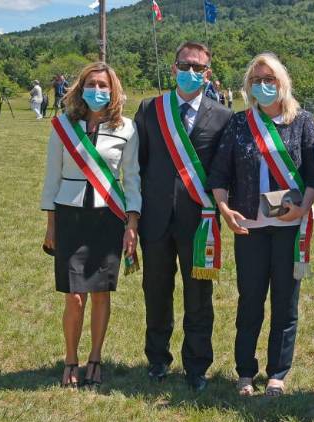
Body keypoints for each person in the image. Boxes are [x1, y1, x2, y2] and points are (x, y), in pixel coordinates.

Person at [209, 53, 314, 397]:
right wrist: (224, 209)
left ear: (282, 82)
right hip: (249, 225)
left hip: (290, 225)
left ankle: (278, 373)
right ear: (249, 86)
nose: (263, 85)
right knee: (250, 300)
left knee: (285, 302)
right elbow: (219, 172)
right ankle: (245, 372)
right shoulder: (239, 123)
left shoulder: (302, 121)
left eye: (269, 79)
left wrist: (303, 207)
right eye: (256, 80)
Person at [133, 41, 232, 392]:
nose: (191, 72)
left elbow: (224, 171)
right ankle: (157, 359)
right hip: (155, 219)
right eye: (185, 65)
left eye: (198, 68)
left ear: (207, 74)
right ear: (174, 68)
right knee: (156, 291)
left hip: (200, 221)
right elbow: (138, 165)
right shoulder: (150, 109)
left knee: (199, 296)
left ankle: (197, 365)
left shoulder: (223, 116)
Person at [40, 62, 141, 389]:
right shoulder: (63, 126)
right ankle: (71, 359)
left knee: (100, 292)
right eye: (92, 84)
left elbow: (132, 178)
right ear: (81, 88)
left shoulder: (127, 128)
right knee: (73, 296)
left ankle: (95, 359)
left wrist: (132, 223)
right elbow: (52, 177)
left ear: (113, 90)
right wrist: (51, 225)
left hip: (108, 217)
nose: (97, 90)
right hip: (69, 217)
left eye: (103, 85)